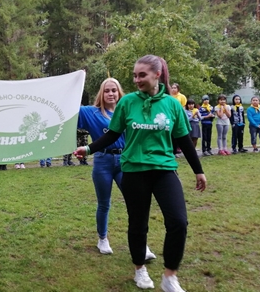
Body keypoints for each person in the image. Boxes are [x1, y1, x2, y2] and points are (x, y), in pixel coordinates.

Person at [74, 55, 206, 292]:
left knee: (178, 222)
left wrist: (199, 171)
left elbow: (184, 140)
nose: (137, 80)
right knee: (138, 224)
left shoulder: (172, 104)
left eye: (142, 75)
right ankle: (139, 270)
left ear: (157, 75)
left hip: (164, 170)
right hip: (134, 170)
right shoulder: (128, 103)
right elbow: (112, 135)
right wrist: (89, 148)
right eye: (135, 75)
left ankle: (169, 277)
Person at [78, 77, 156, 259]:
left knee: (135, 203)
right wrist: (75, 82)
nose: (111, 93)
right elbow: (70, 109)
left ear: (119, 92)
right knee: (104, 203)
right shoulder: (91, 112)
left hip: (126, 161)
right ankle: (102, 238)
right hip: (102, 161)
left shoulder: (130, 110)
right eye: (107, 90)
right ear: (101, 93)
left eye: (114, 90)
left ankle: (141, 245)